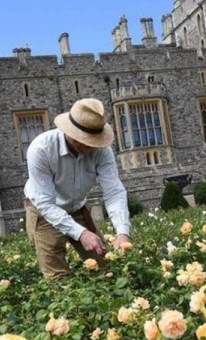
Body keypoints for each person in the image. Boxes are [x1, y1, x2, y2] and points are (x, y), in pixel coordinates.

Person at [23, 98, 131, 278]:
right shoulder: (41, 149)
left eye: (94, 141)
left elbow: (114, 192)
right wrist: (81, 234)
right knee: (57, 277)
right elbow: (45, 203)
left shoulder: (102, 150)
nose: (89, 146)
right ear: (69, 131)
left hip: (77, 208)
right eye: (84, 140)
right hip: (44, 212)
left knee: (105, 267)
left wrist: (122, 232)